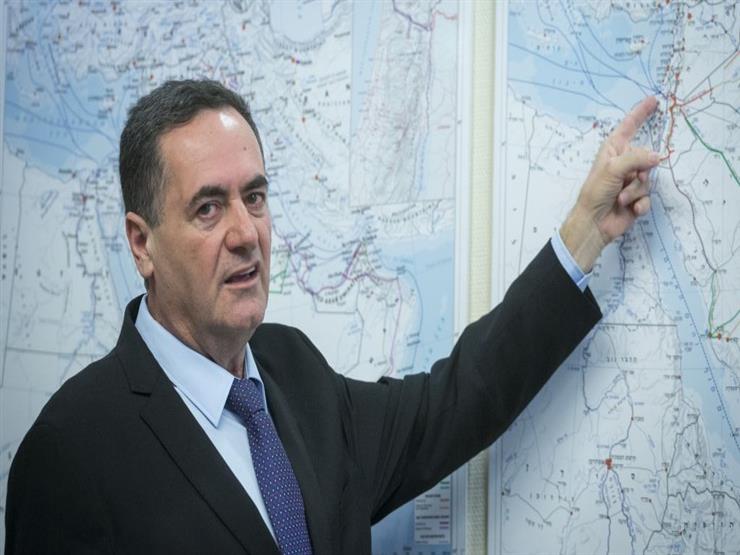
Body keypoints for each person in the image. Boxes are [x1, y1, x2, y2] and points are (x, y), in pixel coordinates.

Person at [5, 80, 659, 554]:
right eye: (208, 208)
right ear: (141, 243)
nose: (246, 233)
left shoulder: (293, 371)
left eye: (254, 197)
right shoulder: (69, 453)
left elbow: (456, 402)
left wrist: (585, 231)